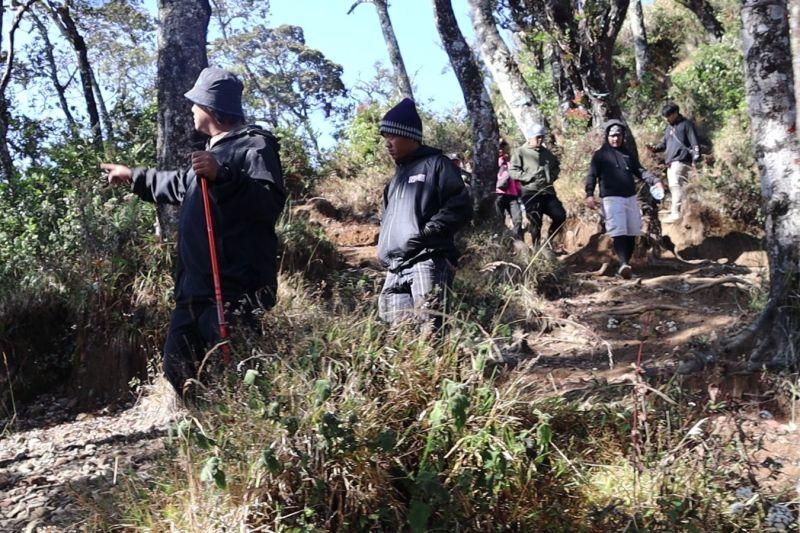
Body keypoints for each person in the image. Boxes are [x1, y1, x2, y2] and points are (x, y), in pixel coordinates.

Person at [101, 67, 285, 398]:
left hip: (232, 289)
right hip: (194, 289)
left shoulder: (255, 146)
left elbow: (268, 203)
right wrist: (133, 176)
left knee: (239, 373)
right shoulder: (210, 154)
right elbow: (177, 184)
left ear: (212, 109)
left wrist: (224, 176)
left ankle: (240, 425)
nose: (191, 109)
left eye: (196, 103)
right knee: (177, 366)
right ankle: (206, 422)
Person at [377, 98, 472, 329]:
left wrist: (427, 233)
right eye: (385, 137)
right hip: (395, 267)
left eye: (392, 136)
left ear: (410, 136)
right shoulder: (395, 180)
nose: (388, 143)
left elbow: (460, 205)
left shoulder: (437, 165)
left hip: (427, 260)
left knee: (430, 330)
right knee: (399, 335)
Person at [585, 120, 664, 279]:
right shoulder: (600, 155)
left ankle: (625, 266)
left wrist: (655, 181)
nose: (615, 139)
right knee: (619, 230)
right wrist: (589, 194)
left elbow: (640, 171)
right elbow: (592, 175)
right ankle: (623, 264)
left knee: (632, 231)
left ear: (622, 136)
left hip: (630, 197)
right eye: (612, 136)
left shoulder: (627, 154)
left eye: (618, 135)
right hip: (611, 198)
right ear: (607, 136)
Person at [510, 125, 566, 249]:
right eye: (537, 137)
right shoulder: (520, 152)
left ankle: (549, 241)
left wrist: (551, 177)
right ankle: (537, 249)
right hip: (530, 193)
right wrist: (528, 177)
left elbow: (556, 166)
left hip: (548, 192)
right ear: (530, 137)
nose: (540, 140)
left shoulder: (546, 152)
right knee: (535, 222)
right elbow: (513, 171)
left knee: (560, 215)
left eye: (542, 137)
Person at [647, 102, 701, 223]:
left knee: (675, 186)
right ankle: (684, 215)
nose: (667, 119)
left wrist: (696, 156)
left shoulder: (686, 124)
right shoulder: (668, 128)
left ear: (675, 113)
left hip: (681, 160)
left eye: (668, 116)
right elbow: (663, 144)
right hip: (671, 163)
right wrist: (654, 148)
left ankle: (676, 214)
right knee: (678, 187)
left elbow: (694, 141)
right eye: (665, 117)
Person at [495, 140, 523, 239]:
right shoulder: (494, 162)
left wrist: (519, 193)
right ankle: (502, 241)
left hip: (512, 195)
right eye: (499, 147)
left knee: (518, 219)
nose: (500, 150)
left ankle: (517, 240)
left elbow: (516, 180)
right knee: (499, 220)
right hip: (498, 195)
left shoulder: (510, 163)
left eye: (502, 147)